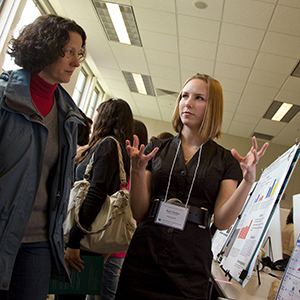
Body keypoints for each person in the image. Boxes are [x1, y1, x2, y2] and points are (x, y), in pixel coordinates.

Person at [115, 73, 269, 300]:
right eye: (184, 96)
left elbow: (223, 221)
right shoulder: (157, 149)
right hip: (144, 257)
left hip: (190, 265)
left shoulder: (225, 160)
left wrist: (247, 182)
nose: (187, 103)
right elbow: (138, 212)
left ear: (212, 107)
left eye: (198, 98)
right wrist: (136, 171)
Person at [0, 14, 86, 300]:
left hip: (39, 240)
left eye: (79, 53)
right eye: (69, 52)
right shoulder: (5, 97)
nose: (76, 62)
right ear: (45, 48)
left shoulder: (69, 116)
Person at [57, 98, 134, 300]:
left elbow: (96, 195)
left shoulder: (108, 145)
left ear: (107, 116)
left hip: (81, 239)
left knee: (69, 295)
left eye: (99, 112)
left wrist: (74, 241)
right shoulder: (103, 146)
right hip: (82, 235)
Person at [86, 119, 148, 300]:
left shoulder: (131, 171)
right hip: (114, 242)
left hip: (110, 242)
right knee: (97, 291)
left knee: (105, 292)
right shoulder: (135, 172)